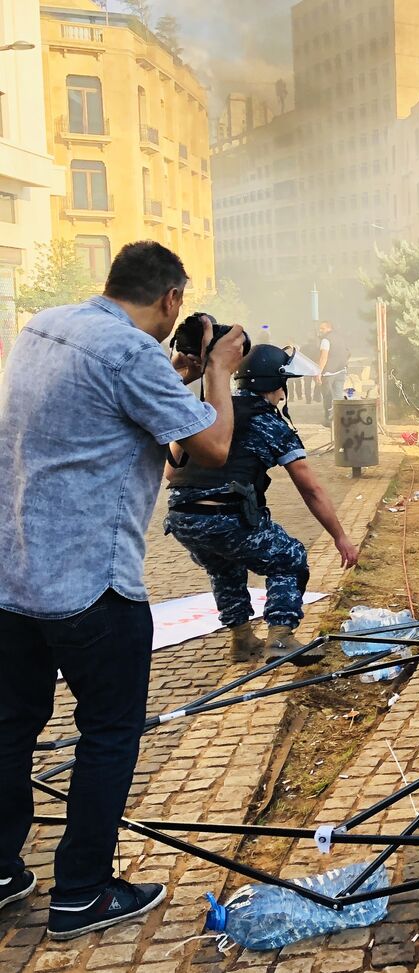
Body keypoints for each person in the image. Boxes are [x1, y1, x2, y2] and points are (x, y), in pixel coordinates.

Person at [0, 242, 244, 939]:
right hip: (89, 586)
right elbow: (214, 446)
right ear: (171, 300)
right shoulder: (132, 356)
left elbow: (103, 407)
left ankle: (0, 867)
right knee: (108, 733)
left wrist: (180, 372)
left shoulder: (44, 326)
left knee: (10, 725)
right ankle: (81, 892)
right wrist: (219, 374)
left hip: (11, 578)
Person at [165, 343, 360, 665]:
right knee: (289, 558)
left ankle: (241, 641)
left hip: (182, 517)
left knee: (224, 567)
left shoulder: (208, 409)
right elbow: (310, 490)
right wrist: (340, 537)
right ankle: (280, 638)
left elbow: (170, 471)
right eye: (283, 385)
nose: (284, 393)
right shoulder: (270, 424)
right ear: (275, 385)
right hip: (224, 514)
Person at [315, 320, 348, 426]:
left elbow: (323, 357)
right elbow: (348, 352)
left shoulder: (325, 340)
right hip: (341, 370)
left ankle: (329, 420)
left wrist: (318, 372)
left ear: (329, 328)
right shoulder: (341, 338)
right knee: (338, 396)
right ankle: (339, 419)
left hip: (329, 373)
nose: (320, 331)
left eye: (322, 328)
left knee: (328, 396)